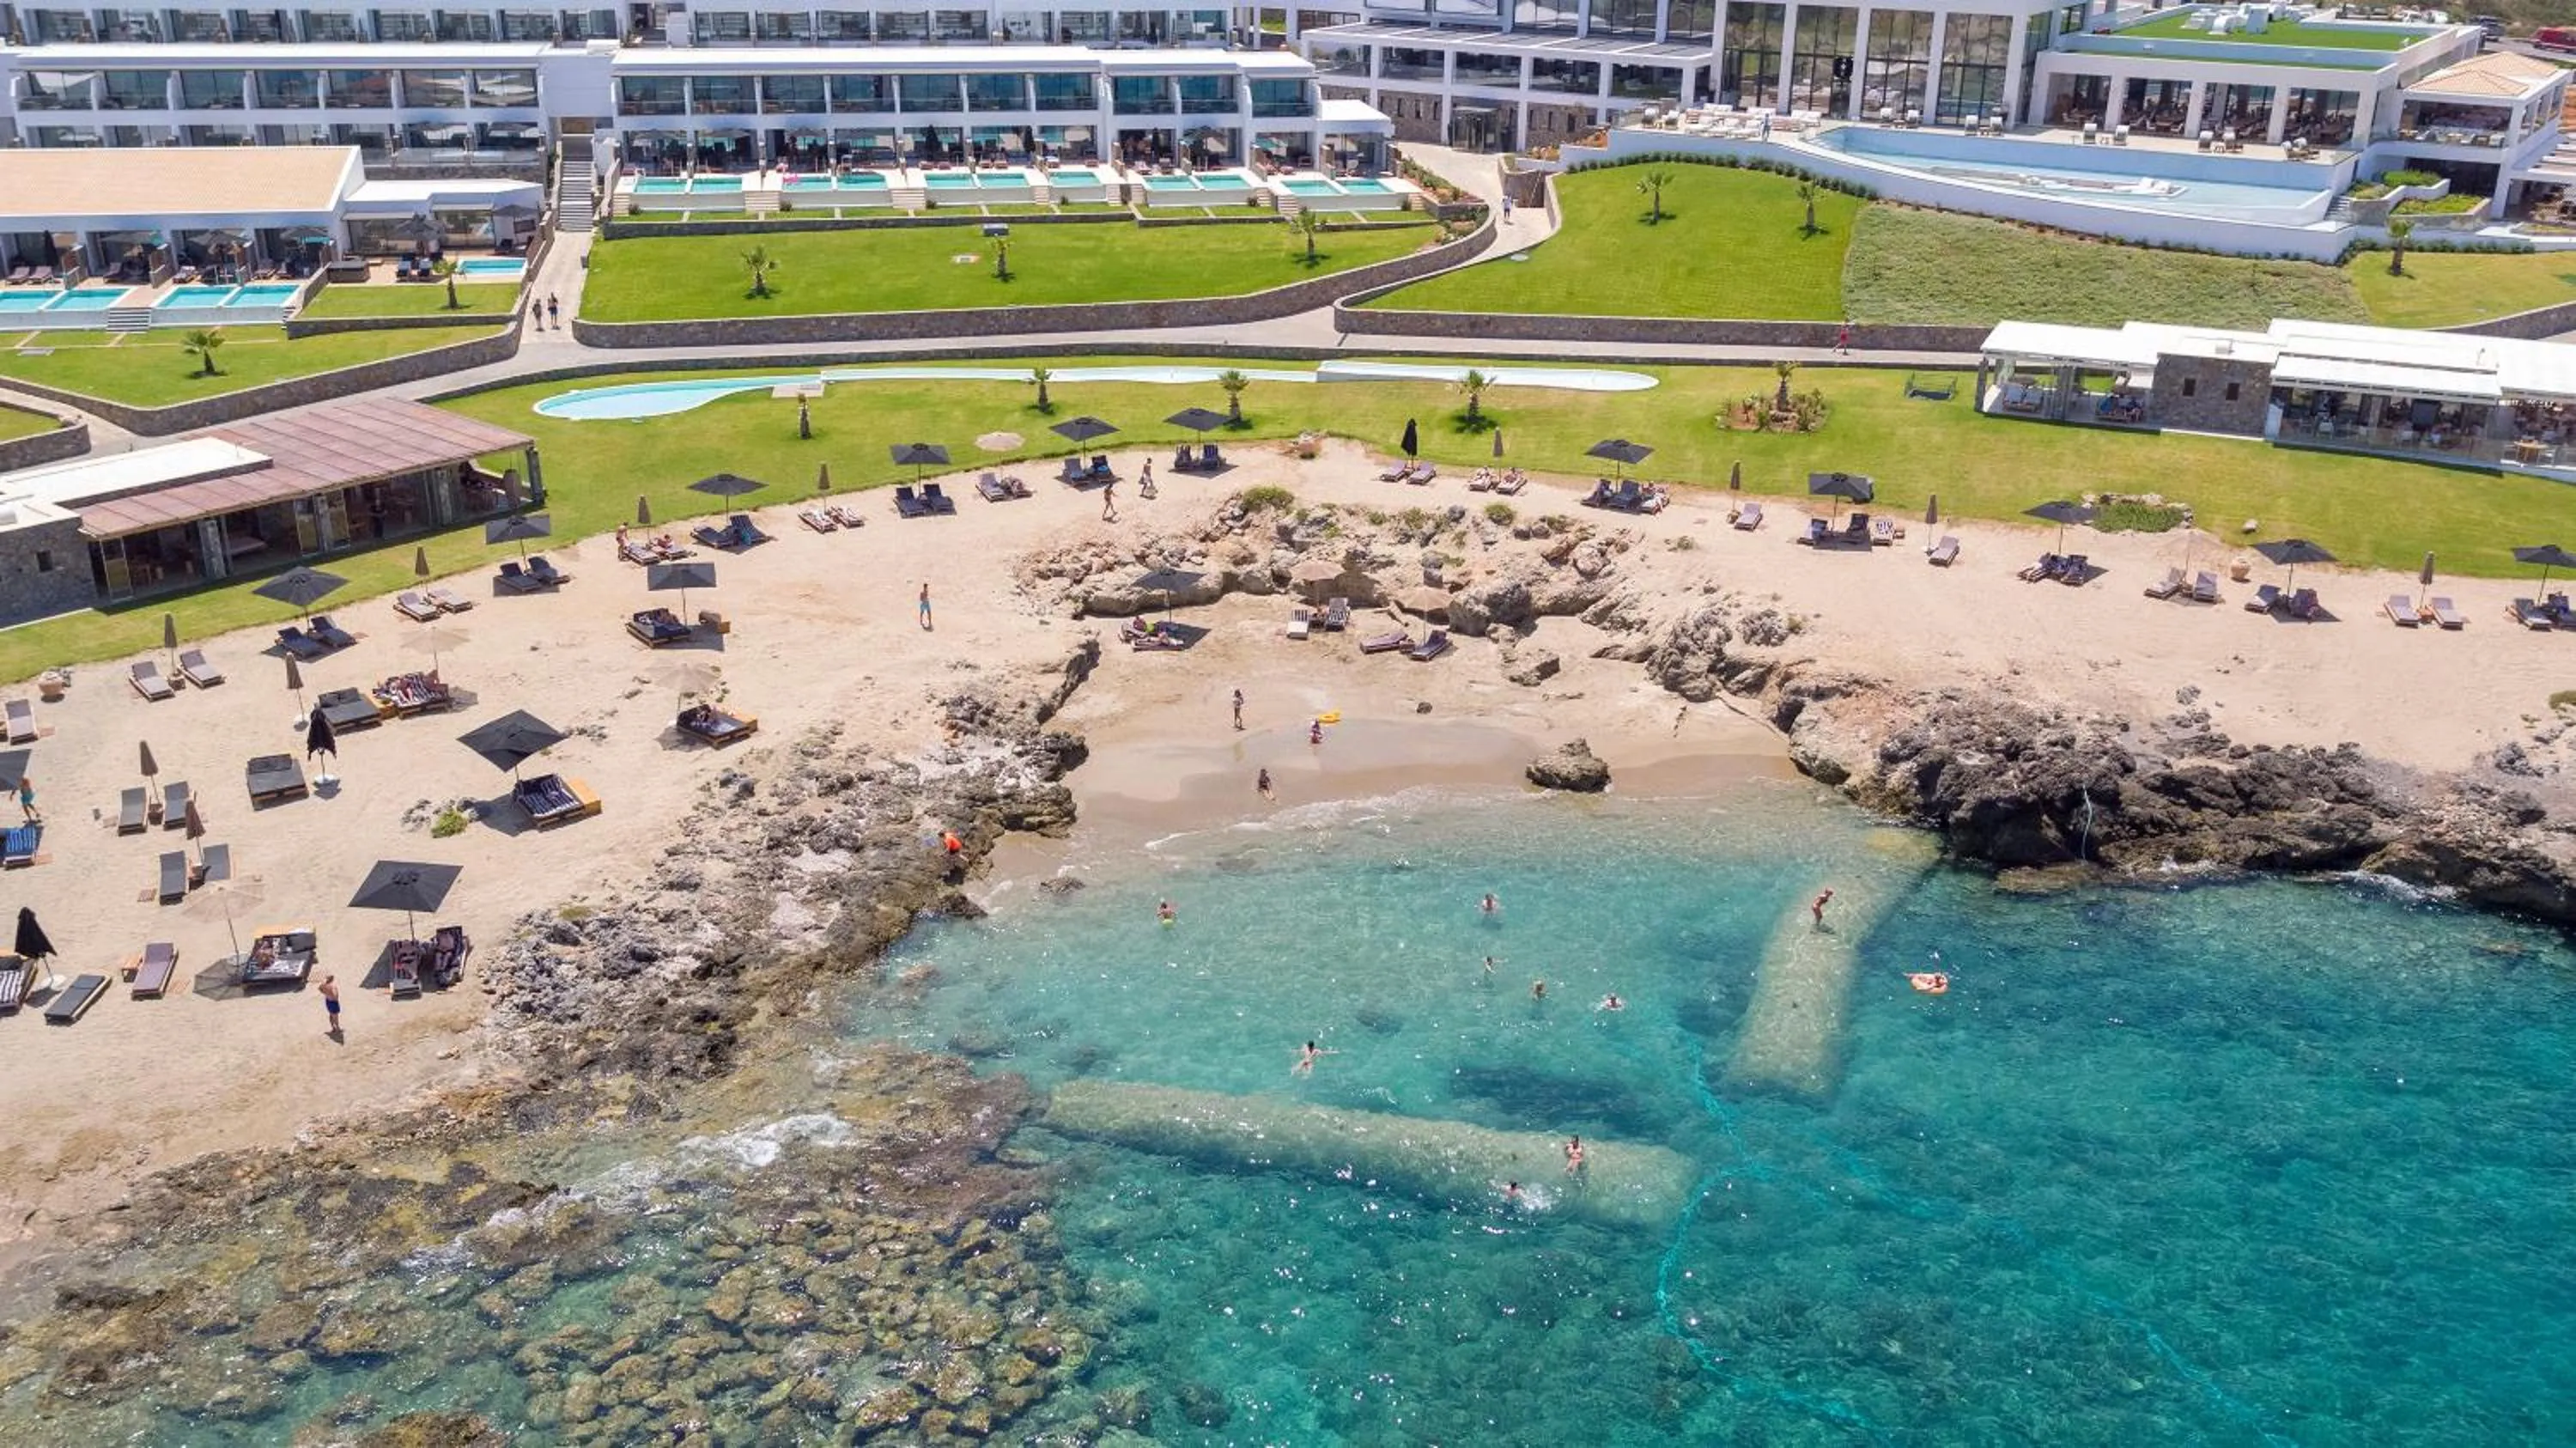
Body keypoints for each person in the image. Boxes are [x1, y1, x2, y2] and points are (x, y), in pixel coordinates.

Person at [319, 974, 342, 1038]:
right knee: (335, 1016)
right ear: (333, 979)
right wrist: (336, 998)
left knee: (331, 1015)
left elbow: (319, 989)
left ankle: (333, 1028)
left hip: (328, 1001)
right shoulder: (333, 986)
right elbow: (335, 995)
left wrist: (326, 993)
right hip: (333, 1002)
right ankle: (338, 1029)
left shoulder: (323, 984)